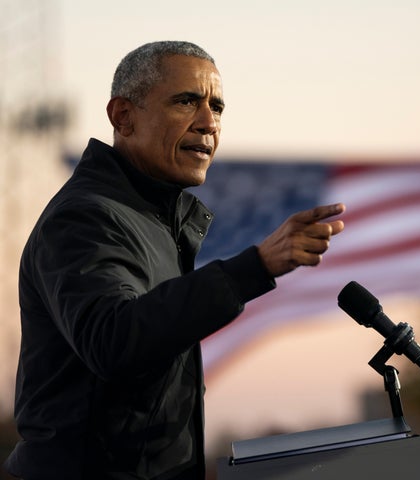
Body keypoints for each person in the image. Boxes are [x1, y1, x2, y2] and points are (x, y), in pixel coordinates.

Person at [3, 41, 345, 479]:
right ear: (123, 116)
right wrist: (255, 267)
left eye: (217, 107)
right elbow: (113, 340)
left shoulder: (157, 221)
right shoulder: (86, 216)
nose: (208, 123)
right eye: (186, 101)